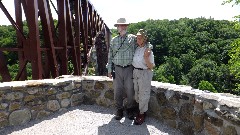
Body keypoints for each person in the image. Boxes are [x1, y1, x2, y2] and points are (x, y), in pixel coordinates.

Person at [106, 18, 151, 120]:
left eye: (123, 25)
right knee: (117, 91)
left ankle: (130, 110)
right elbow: (110, 56)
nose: (122, 27)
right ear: (117, 27)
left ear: (126, 26)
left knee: (130, 91)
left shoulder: (132, 38)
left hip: (129, 68)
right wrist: (109, 70)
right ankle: (119, 110)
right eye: (120, 25)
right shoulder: (114, 40)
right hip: (117, 68)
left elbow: (144, 41)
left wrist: (149, 48)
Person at [132, 29, 155, 125]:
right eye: (137, 37)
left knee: (143, 94)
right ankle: (140, 110)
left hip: (144, 73)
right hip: (136, 71)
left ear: (144, 39)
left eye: (140, 38)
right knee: (136, 92)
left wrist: (146, 57)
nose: (138, 39)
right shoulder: (137, 48)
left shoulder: (148, 51)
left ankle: (142, 114)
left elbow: (151, 66)